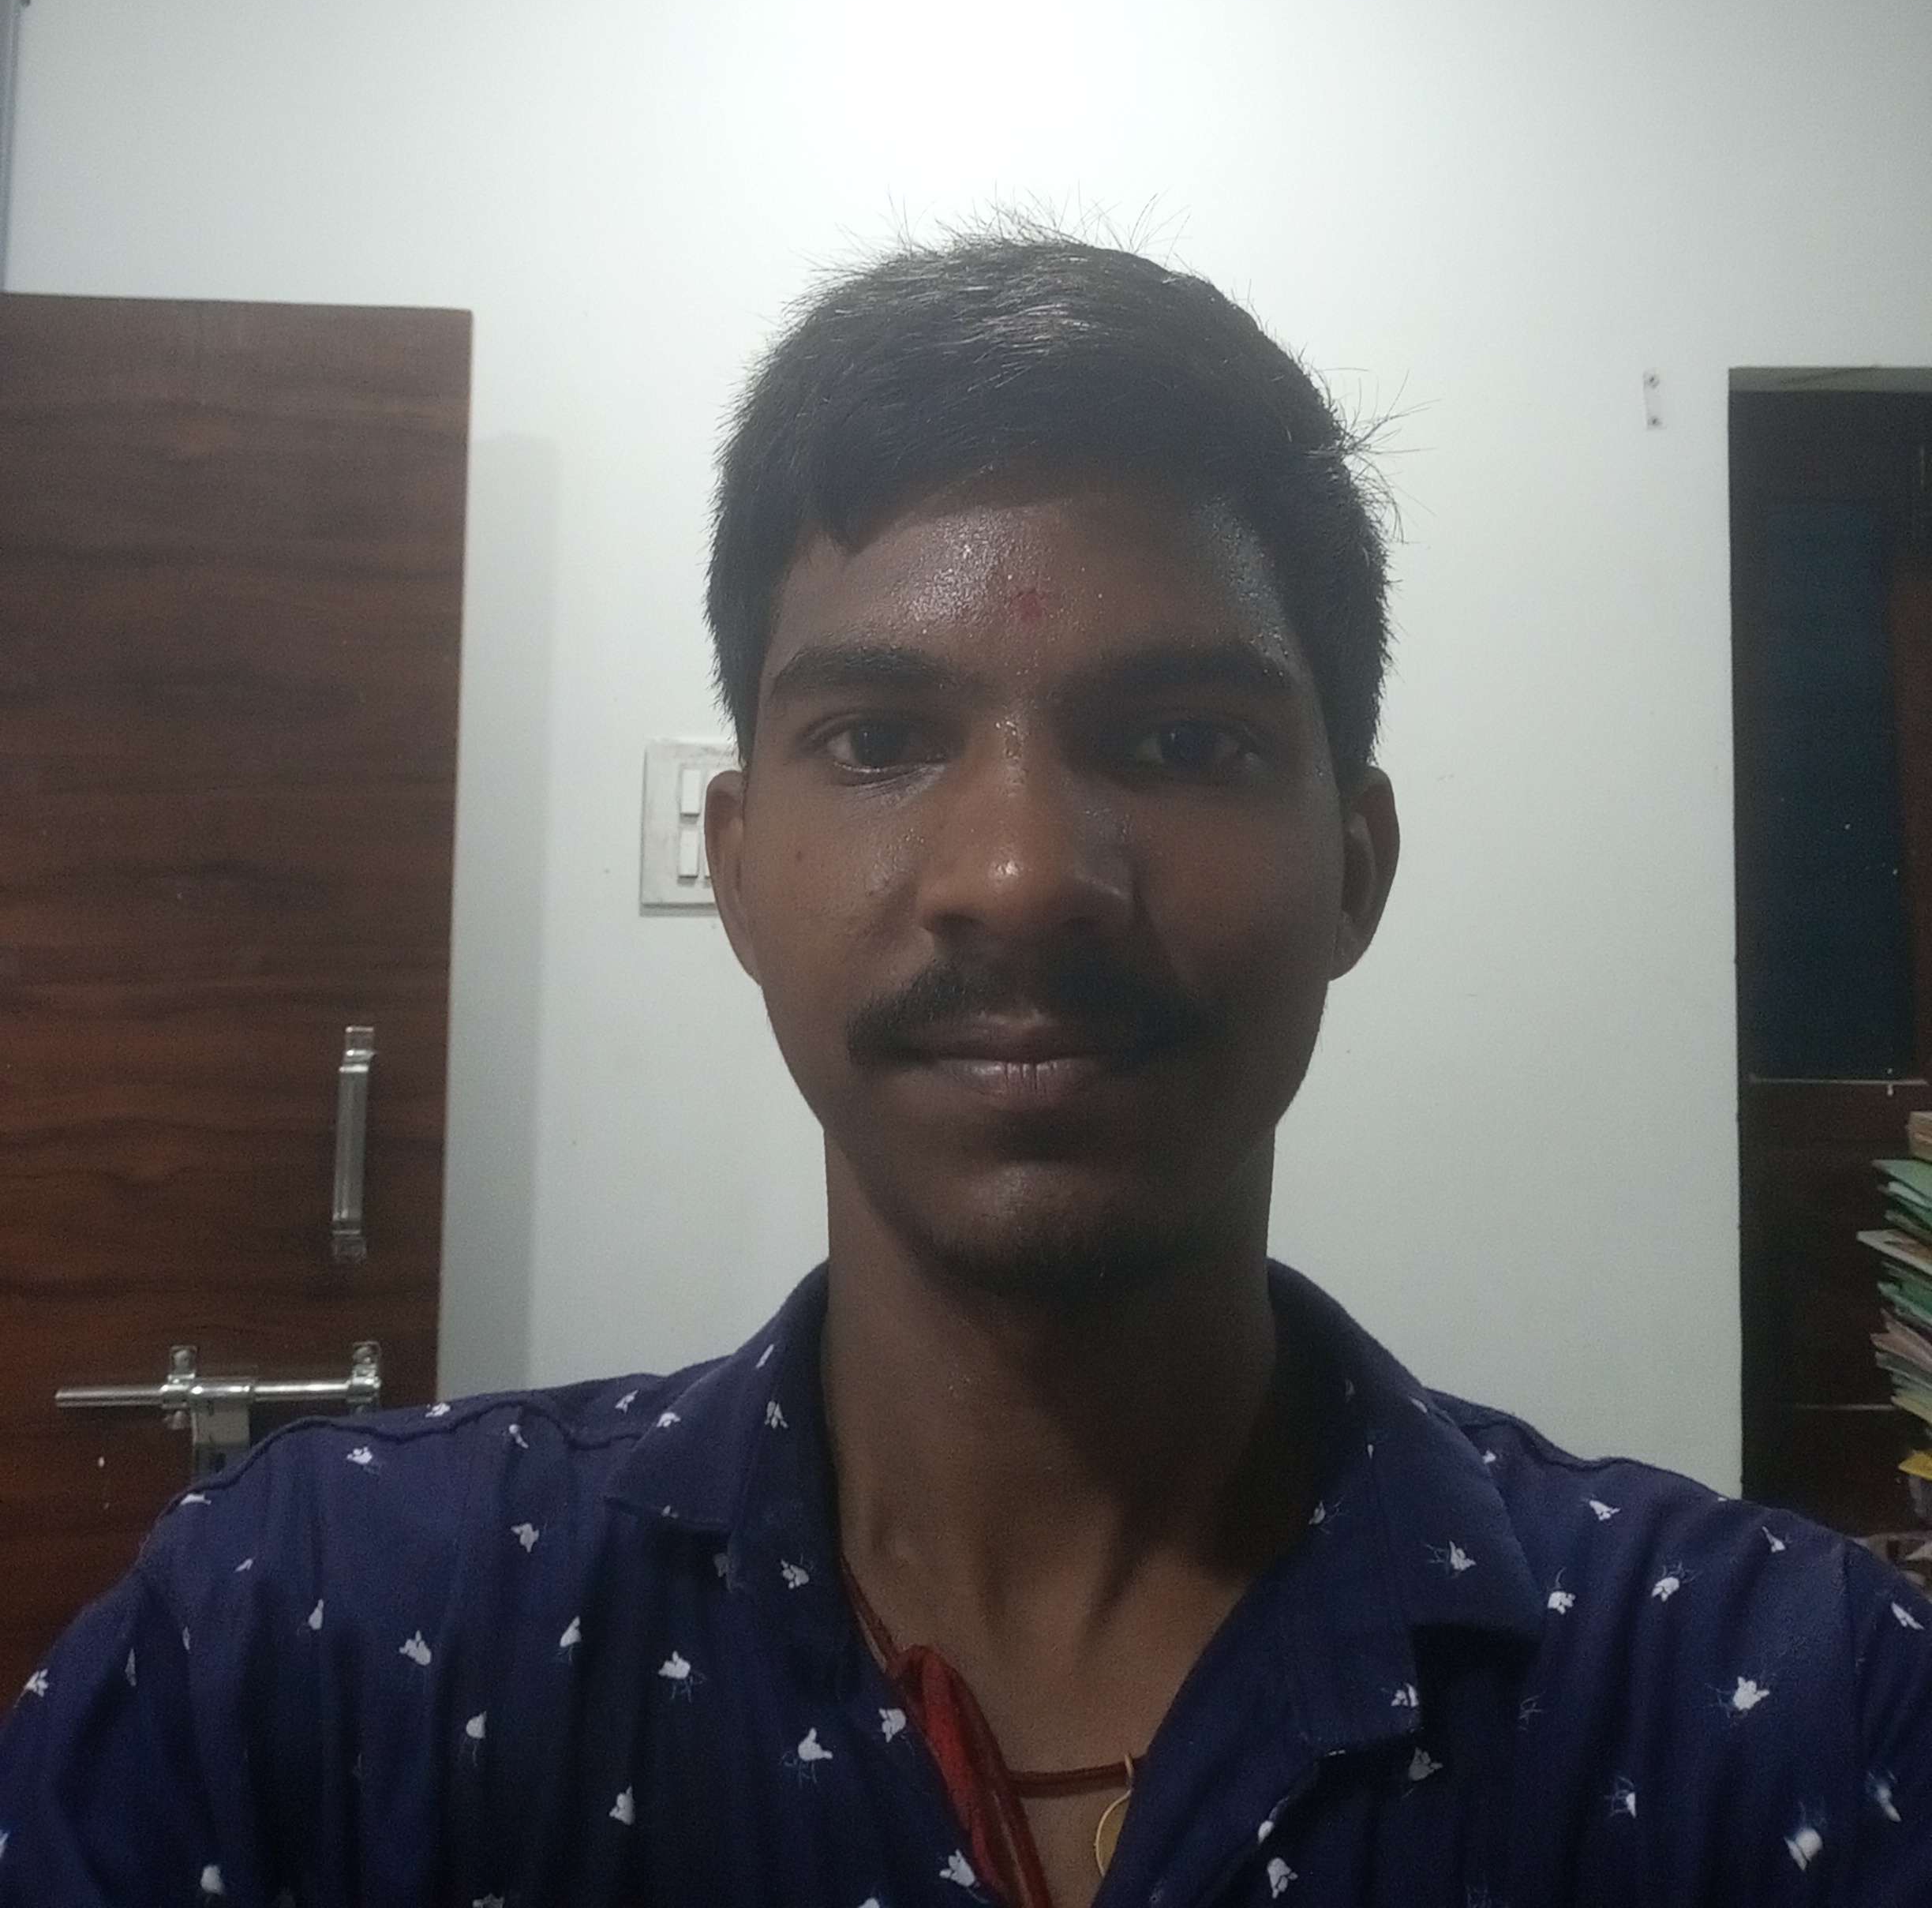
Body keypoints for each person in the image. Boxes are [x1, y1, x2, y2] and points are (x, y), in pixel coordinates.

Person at [3, 230, 1930, 1908]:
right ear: (735, 865)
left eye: (1180, 740)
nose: (1017, 878)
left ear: (1355, 868)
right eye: (879, 738)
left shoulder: (1784, 1713)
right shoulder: (317, 1633)